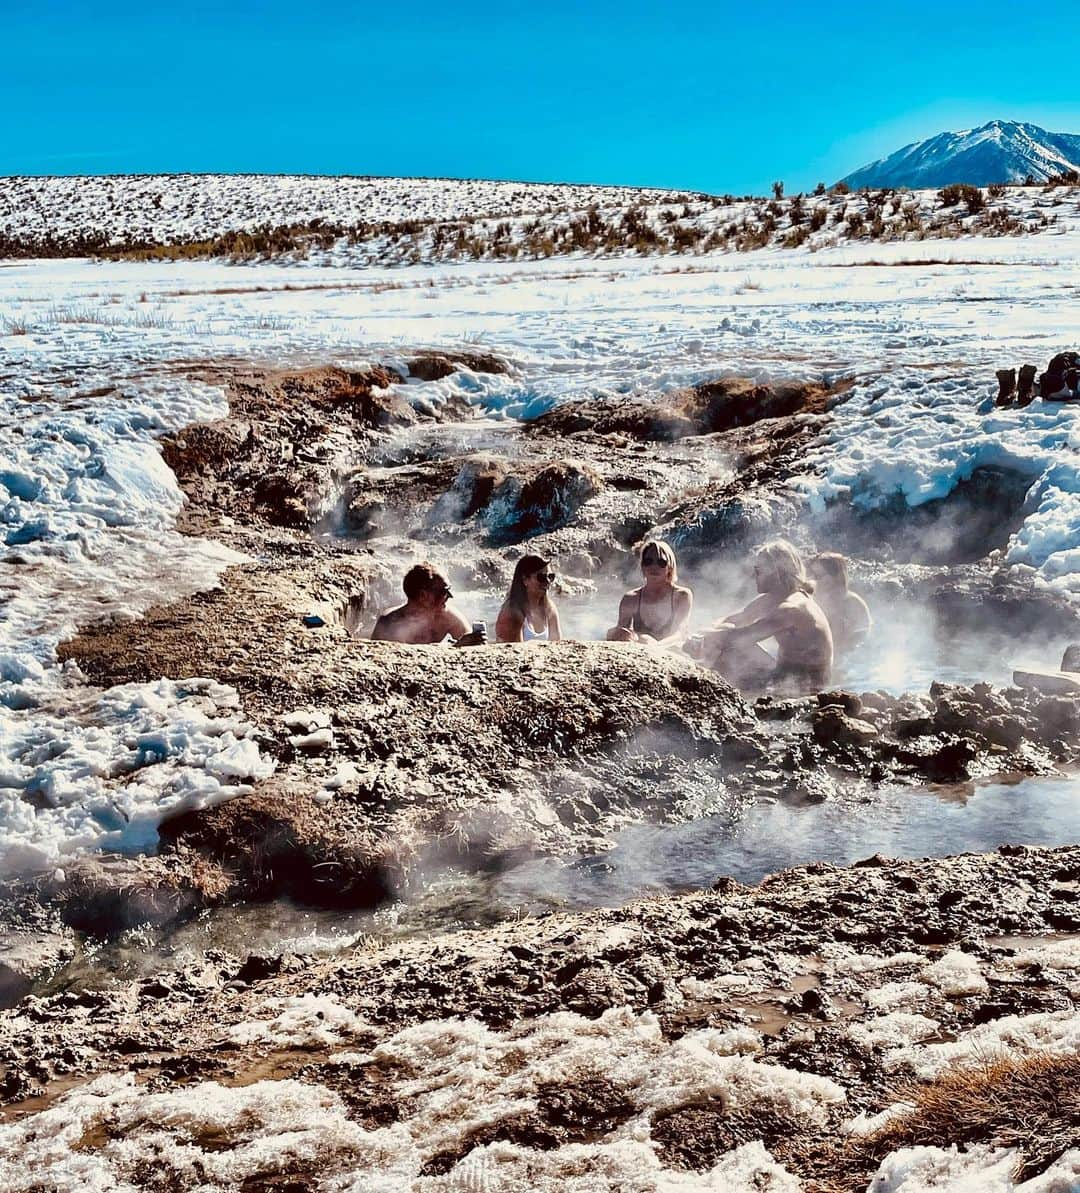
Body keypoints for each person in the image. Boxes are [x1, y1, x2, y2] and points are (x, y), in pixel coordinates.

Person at [691, 539, 832, 692]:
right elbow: (735, 619)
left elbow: (741, 638)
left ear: (777, 572)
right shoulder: (774, 598)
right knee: (725, 634)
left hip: (806, 685)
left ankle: (715, 692)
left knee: (731, 648)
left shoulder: (791, 607)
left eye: (758, 570)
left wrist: (704, 639)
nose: (754, 576)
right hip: (784, 675)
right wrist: (699, 633)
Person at [371, 563, 485, 646]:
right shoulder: (390, 623)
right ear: (423, 596)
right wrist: (455, 647)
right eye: (444, 591)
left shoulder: (446, 616)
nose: (450, 596)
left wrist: (471, 641)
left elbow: (471, 641)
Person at [607, 540, 693, 648]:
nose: (654, 567)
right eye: (648, 561)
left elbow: (680, 633)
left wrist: (655, 647)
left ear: (670, 567)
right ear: (642, 566)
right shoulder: (631, 599)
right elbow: (621, 634)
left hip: (670, 648)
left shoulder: (681, 596)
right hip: (642, 648)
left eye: (661, 562)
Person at [807, 552, 872, 659]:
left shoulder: (853, 603)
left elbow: (863, 637)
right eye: (813, 575)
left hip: (848, 658)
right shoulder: (813, 599)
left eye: (819, 576)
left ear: (836, 576)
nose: (814, 580)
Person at [496, 555, 562, 643]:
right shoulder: (512, 612)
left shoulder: (549, 608)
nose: (547, 581)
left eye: (550, 576)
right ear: (525, 580)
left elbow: (557, 643)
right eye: (541, 577)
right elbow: (515, 651)